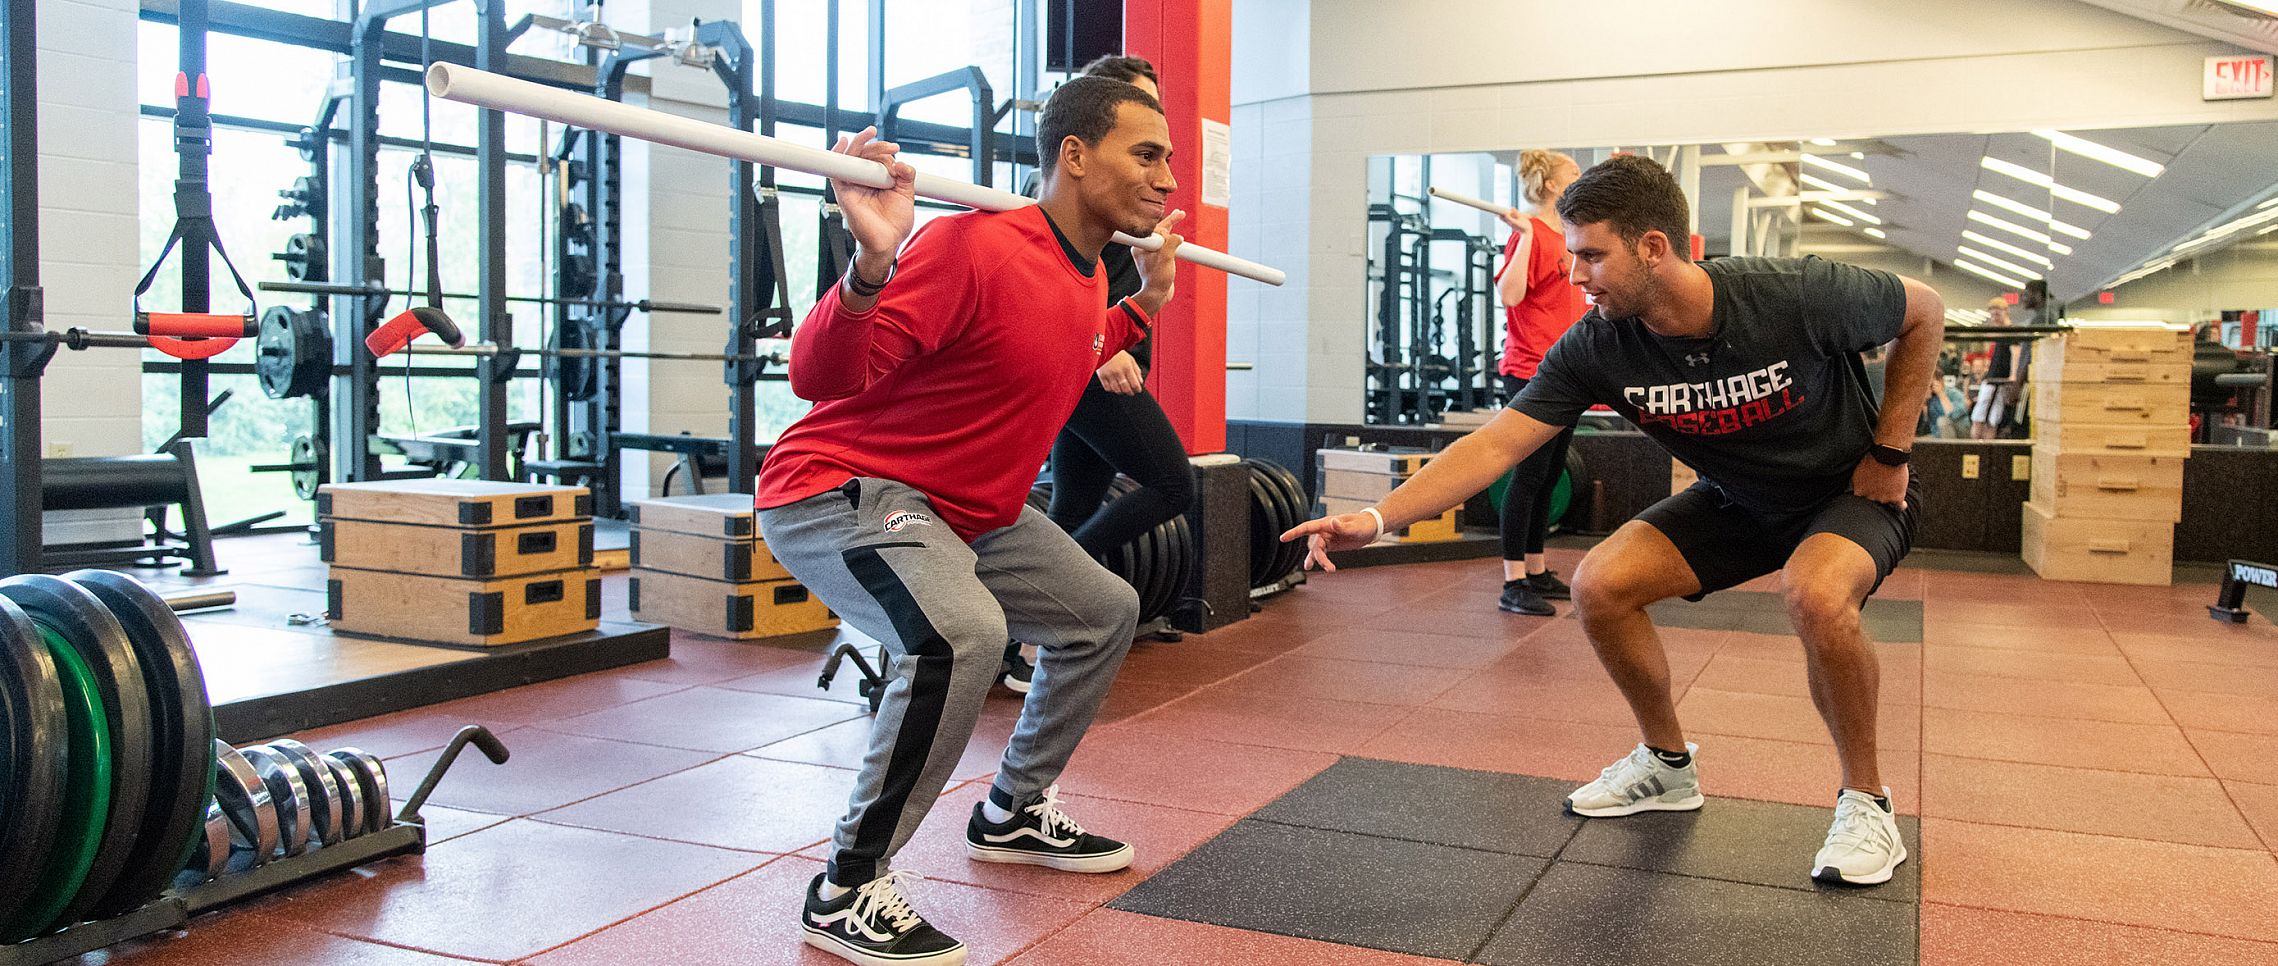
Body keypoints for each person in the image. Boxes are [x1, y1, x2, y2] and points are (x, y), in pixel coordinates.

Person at [1282, 154, 1943, 887]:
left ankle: (1867, 803)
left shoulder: (1795, 294)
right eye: (1573, 255)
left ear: (1653, 247)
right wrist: (1375, 518)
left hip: (1849, 493)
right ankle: (1665, 767)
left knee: (1816, 594)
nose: (1575, 275)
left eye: (1591, 255)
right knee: (1600, 585)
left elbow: (1924, 311)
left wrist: (1891, 449)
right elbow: (1499, 441)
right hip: (1739, 501)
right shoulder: (1598, 345)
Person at [756, 77, 1184, 965]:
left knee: (1102, 612)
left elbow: (1065, 348)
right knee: (960, 636)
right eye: (1147, 155)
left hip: (970, 513)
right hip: (845, 488)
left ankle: (1014, 811)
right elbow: (819, 375)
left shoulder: (1079, 269)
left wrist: (1143, 304)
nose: (1168, 180)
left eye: (1169, 159)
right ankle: (846, 886)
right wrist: (873, 263)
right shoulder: (971, 244)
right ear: (1074, 156)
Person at [997, 55, 1195, 694]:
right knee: (1172, 482)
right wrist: (1100, 346)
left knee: (1076, 499)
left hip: (1106, 345)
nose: (1161, 172)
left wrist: (1131, 320)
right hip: (1088, 361)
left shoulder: (1125, 207)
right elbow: (1058, 279)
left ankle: (1021, 633)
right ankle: (1044, 608)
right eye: (1143, 148)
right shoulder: (1046, 212)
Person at [1491, 149, 1586, 617]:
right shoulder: (1532, 235)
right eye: (1573, 173)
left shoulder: (1570, 239)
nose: (1580, 178)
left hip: (1565, 372)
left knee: (1550, 475)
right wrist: (1526, 235)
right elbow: (1509, 295)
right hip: (1529, 370)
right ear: (1550, 185)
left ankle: (1536, 567)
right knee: (1529, 475)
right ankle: (1513, 582)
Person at [1970, 297, 2022, 440]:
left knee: (1985, 420)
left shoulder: (2010, 332)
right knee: (1985, 419)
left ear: (2005, 312)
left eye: (1997, 314)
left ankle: (1981, 451)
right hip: (1994, 379)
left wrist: (2012, 376)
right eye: (1992, 314)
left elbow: (2015, 353)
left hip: (1998, 381)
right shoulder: (2002, 332)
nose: (1994, 317)